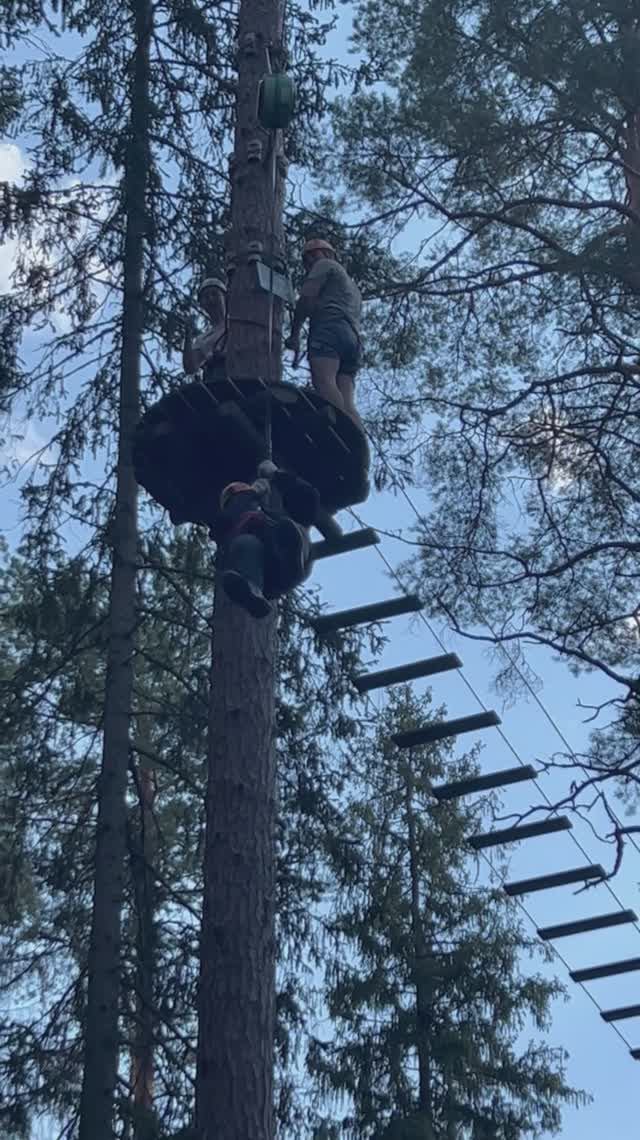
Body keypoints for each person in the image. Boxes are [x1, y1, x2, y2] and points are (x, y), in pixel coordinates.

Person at [211, 460, 320, 619]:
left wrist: (276, 476)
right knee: (245, 543)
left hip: (293, 557)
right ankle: (254, 593)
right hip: (269, 577)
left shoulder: (277, 518)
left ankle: (290, 556)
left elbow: (309, 498)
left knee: (286, 528)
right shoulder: (236, 530)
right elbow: (226, 532)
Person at [284, 238, 363, 425]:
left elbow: (306, 298)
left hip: (329, 330)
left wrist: (295, 334)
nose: (310, 261)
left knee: (324, 381)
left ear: (328, 254)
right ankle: (358, 444)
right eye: (307, 259)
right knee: (347, 401)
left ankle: (339, 430)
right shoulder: (353, 288)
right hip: (353, 339)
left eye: (313, 254)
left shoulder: (325, 265)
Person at [183, 277, 227, 377]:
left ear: (225, 297)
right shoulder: (202, 339)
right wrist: (188, 334)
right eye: (206, 297)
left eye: (215, 294)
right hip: (215, 380)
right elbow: (190, 367)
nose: (211, 299)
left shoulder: (239, 325)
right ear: (202, 304)